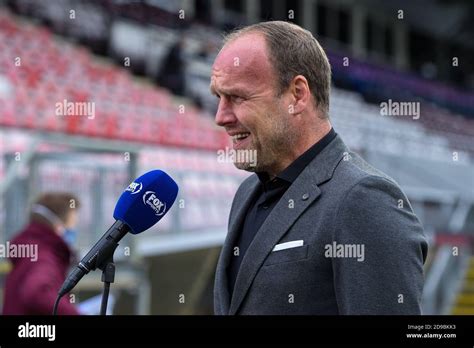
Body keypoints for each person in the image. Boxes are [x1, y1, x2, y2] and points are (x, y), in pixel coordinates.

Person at [210, 21, 428, 315]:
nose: (221, 117)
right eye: (218, 97)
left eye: (237, 97)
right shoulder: (247, 193)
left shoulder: (364, 199)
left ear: (297, 95)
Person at [3, 192, 81, 315]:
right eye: (71, 226)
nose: (73, 232)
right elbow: (35, 292)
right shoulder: (44, 256)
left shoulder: (31, 249)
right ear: (58, 226)